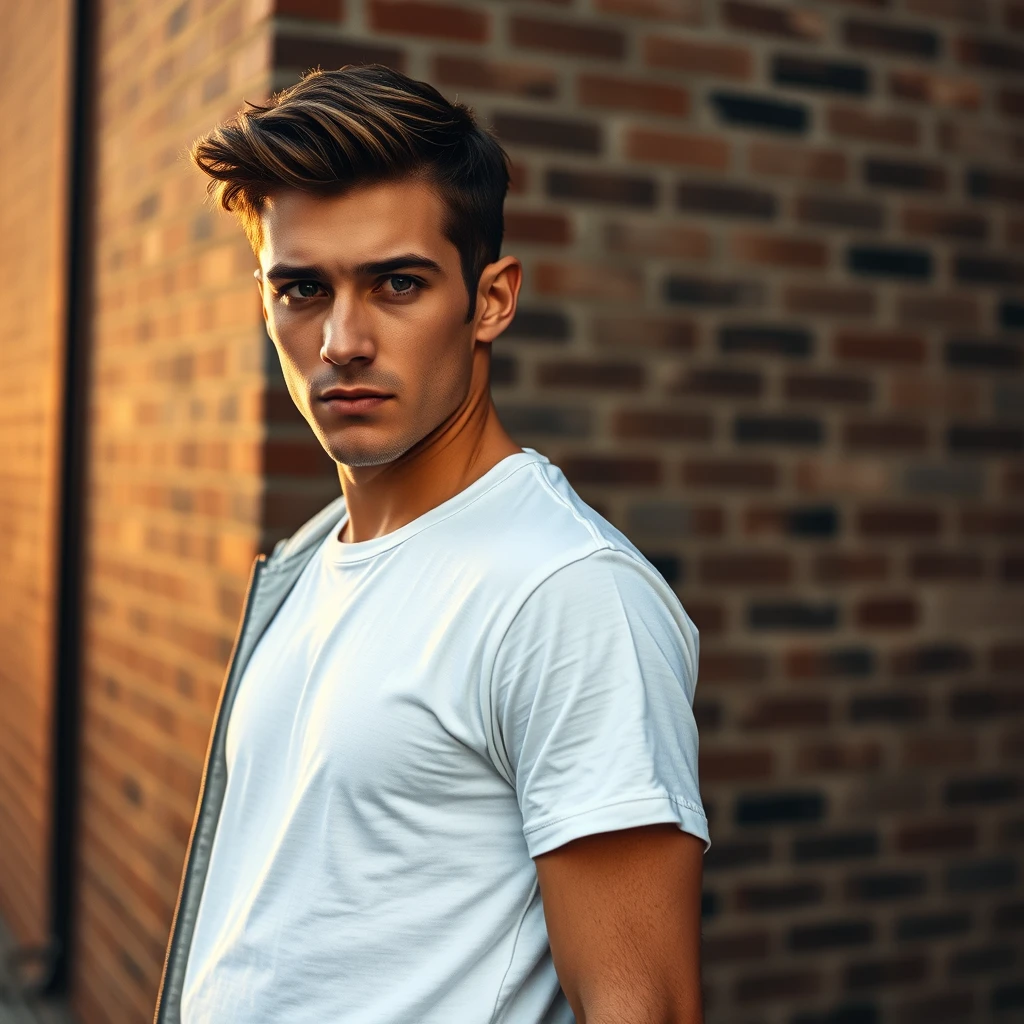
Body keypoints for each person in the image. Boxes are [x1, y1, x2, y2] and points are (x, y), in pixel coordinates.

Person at [154, 64, 709, 1024]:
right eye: (301, 289)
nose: (341, 340)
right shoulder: (306, 561)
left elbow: (642, 1008)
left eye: (397, 283)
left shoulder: (565, 596)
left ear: (491, 299)